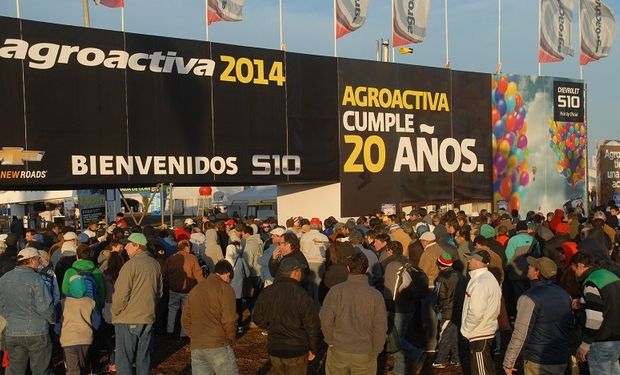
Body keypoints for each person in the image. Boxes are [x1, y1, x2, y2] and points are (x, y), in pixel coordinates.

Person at [319, 253, 387, 375]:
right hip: (365, 351)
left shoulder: (336, 291)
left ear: (348, 269)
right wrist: (377, 349)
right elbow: (380, 326)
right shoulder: (375, 295)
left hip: (339, 348)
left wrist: (330, 340)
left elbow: (325, 320)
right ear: (366, 269)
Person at [503, 257, 573, 375]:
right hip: (560, 358)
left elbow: (521, 332)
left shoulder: (529, 297)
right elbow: (570, 325)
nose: (528, 269)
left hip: (537, 360)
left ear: (537, 272)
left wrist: (508, 361)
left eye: (530, 267)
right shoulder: (564, 294)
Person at [253, 257, 321, 375]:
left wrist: (272, 326)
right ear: (295, 272)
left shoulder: (267, 292)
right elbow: (312, 325)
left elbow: (257, 318)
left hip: (275, 347)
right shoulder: (302, 294)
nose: (302, 274)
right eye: (300, 271)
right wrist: (313, 348)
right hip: (297, 349)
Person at [112, 233, 163, 375]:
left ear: (136, 246)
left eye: (128, 244)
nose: (126, 247)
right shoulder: (155, 264)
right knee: (143, 359)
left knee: (124, 362)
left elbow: (120, 295)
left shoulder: (130, 265)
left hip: (128, 319)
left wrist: (116, 313)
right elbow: (159, 293)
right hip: (148, 317)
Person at [0, 247, 56, 374]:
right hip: (37, 331)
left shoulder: (4, 279)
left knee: (16, 371)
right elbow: (45, 307)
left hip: (13, 331)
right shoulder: (36, 279)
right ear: (31, 260)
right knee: (40, 371)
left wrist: (10, 318)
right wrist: (52, 320)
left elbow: (1, 306)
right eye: (38, 259)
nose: (39, 262)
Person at [182, 260, 239, 375]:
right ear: (228, 274)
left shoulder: (195, 290)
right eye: (230, 278)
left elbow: (185, 319)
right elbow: (229, 319)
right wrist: (230, 339)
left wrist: (194, 335)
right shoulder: (225, 289)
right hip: (218, 344)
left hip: (197, 345)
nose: (229, 281)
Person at [571, 251, 620, 374]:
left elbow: (594, 319)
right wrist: (583, 302)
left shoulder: (591, 283)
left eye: (574, 269)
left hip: (601, 341)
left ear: (580, 265)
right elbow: (608, 302)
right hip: (616, 339)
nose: (574, 274)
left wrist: (584, 345)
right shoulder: (611, 275)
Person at [461, 249, 501, 375]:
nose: (468, 261)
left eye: (471, 259)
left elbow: (476, 312)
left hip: (479, 332)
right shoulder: (488, 277)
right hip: (484, 330)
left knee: (481, 371)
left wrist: (467, 329)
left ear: (478, 262)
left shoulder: (480, 282)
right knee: (485, 367)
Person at [163, 239, 204, 338]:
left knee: (172, 309)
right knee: (185, 311)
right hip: (188, 288)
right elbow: (198, 274)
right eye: (188, 246)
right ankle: (184, 333)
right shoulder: (192, 258)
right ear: (186, 247)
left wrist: (167, 284)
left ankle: (170, 330)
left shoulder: (171, 258)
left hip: (174, 288)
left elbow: (165, 273)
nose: (189, 247)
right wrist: (202, 286)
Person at [433, 252, 466, 369]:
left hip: (447, 311)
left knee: (444, 335)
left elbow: (438, 296)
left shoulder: (441, 278)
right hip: (460, 310)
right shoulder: (460, 276)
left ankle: (440, 360)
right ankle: (457, 359)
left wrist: (437, 307)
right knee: (455, 335)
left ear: (440, 265)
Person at [60, 274, 99, 375]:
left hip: (68, 340)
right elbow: (97, 322)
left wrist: (58, 333)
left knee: (73, 369)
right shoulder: (91, 302)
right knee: (84, 366)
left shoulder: (63, 303)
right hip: (86, 338)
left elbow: (58, 324)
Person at [300, 217, 328, 306]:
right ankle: (317, 308)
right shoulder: (323, 237)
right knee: (318, 288)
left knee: (308, 288)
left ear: (310, 226)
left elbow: (301, 250)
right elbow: (326, 252)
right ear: (319, 225)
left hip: (307, 263)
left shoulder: (304, 236)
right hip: (319, 264)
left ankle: (308, 308)